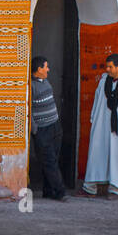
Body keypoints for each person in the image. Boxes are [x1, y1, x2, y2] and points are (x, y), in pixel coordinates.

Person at [82, 53, 118, 197]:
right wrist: (94, 118)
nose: (107, 69)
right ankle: (90, 187)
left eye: (110, 67)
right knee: (97, 151)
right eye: (107, 66)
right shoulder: (103, 82)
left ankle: (116, 188)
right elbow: (97, 100)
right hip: (102, 124)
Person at [30, 56, 68, 202]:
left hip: (55, 127)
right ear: (39, 69)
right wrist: (35, 129)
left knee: (53, 160)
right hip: (42, 130)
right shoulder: (31, 86)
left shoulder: (45, 80)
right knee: (49, 161)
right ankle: (60, 192)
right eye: (46, 67)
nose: (48, 69)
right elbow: (28, 108)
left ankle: (48, 190)